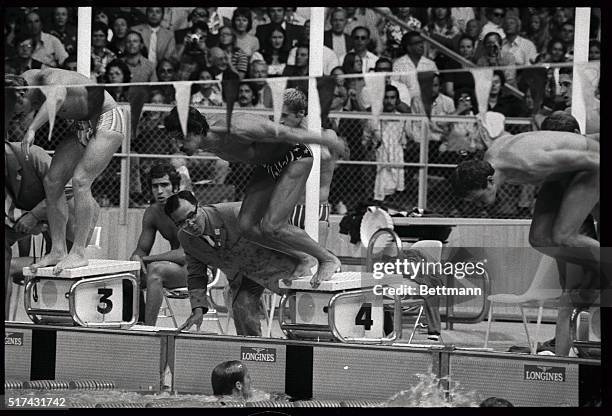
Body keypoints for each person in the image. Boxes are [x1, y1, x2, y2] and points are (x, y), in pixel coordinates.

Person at [163, 90, 347, 287]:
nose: (178, 145)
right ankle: (302, 257)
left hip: (294, 157)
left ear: (194, 130)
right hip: (268, 165)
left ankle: (327, 258)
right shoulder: (204, 136)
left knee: (272, 226)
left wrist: (326, 141)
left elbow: (286, 132)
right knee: (246, 226)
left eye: (179, 138)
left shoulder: (236, 127)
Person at [451, 113, 600, 355]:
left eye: (479, 199)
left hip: (592, 167)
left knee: (563, 236)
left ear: (490, 181)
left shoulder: (529, 163)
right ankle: (593, 270)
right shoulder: (492, 162)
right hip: (561, 176)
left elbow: (595, 159)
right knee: (539, 239)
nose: (480, 205)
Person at [7, 69, 124, 273]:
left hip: (107, 117)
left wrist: (33, 128)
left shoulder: (46, 78)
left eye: (17, 110)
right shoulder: (20, 83)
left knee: (80, 180)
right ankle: (58, 250)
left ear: (20, 94)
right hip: (82, 125)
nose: (20, 115)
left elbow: (58, 96)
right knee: (52, 181)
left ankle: (78, 252)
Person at [166, 192, 297, 335]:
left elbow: (277, 223)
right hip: (244, 276)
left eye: (191, 216)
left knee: (303, 309)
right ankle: (251, 351)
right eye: (181, 223)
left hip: (277, 262)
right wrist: (197, 310)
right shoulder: (186, 238)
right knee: (242, 307)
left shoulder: (235, 212)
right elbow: (196, 274)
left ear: (199, 205)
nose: (189, 224)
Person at [4, 140, 95, 314]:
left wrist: (34, 216)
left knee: (61, 273)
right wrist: (26, 221)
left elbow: (67, 190)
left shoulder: (33, 154)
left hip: (67, 211)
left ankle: (66, 319)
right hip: (28, 214)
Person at [130, 163, 188, 325]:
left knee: (155, 269)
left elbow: (184, 254)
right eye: (155, 186)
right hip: (176, 269)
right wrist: (136, 258)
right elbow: (141, 250)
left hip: (199, 270)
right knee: (129, 272)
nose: (160, 191)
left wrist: (147, 259)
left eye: (165, 185)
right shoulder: (153, 213)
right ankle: (138, 323)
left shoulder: (186, 209)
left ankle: (149, 329)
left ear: (175, 187)